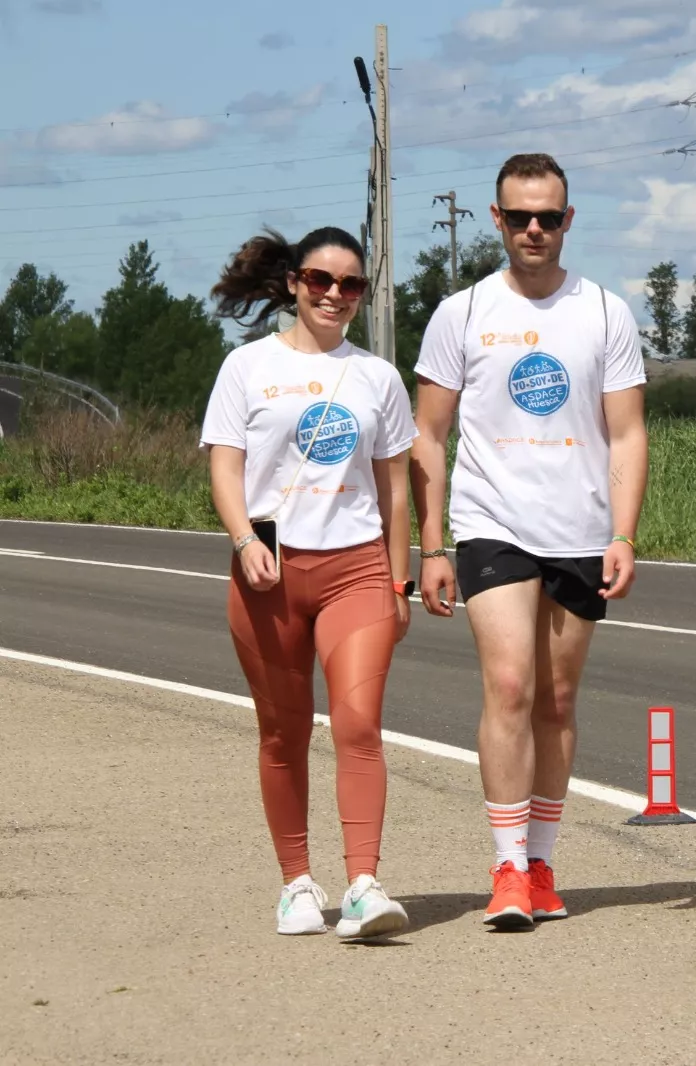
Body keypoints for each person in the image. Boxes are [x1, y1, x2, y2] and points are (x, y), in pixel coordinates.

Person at [411, 152, 648, 929]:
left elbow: (627, 434)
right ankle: (508, 867)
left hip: (579, 528)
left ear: (568, 220)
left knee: (557, 698)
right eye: (520, 217)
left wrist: (623, 532)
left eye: (548, 216)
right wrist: (432, 543)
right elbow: (429, 435)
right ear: (497, 220)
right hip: (492, 524)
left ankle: (543, 861)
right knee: (510, 686)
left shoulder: (606, 313)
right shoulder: (463, 312)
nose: (535, 230)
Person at [203, 226, 418, 940]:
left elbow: (395, 489)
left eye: (350, 285)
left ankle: (363, 884)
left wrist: (399, 580)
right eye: (322, 281)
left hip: (356, 568)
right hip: (269, 572)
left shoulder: (378, 377)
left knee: (359, 724)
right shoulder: (246, 367)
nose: (335, 295)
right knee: (282, 731)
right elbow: (226, 466)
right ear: (295, 283)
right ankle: (297, 883)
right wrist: (242, 541)